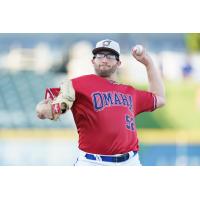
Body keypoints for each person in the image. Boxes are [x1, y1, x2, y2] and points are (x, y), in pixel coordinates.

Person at [36, 39, 166, 166]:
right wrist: (47, 109)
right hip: (92, 162)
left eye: (110, 56)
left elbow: (159, 98)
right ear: (93, 61)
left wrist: (148, 63)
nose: (104, 59)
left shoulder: (130, 92)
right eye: (99, 55)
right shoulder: (77, 84)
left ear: (119, 62)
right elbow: (42, 110)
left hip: (130, 162)